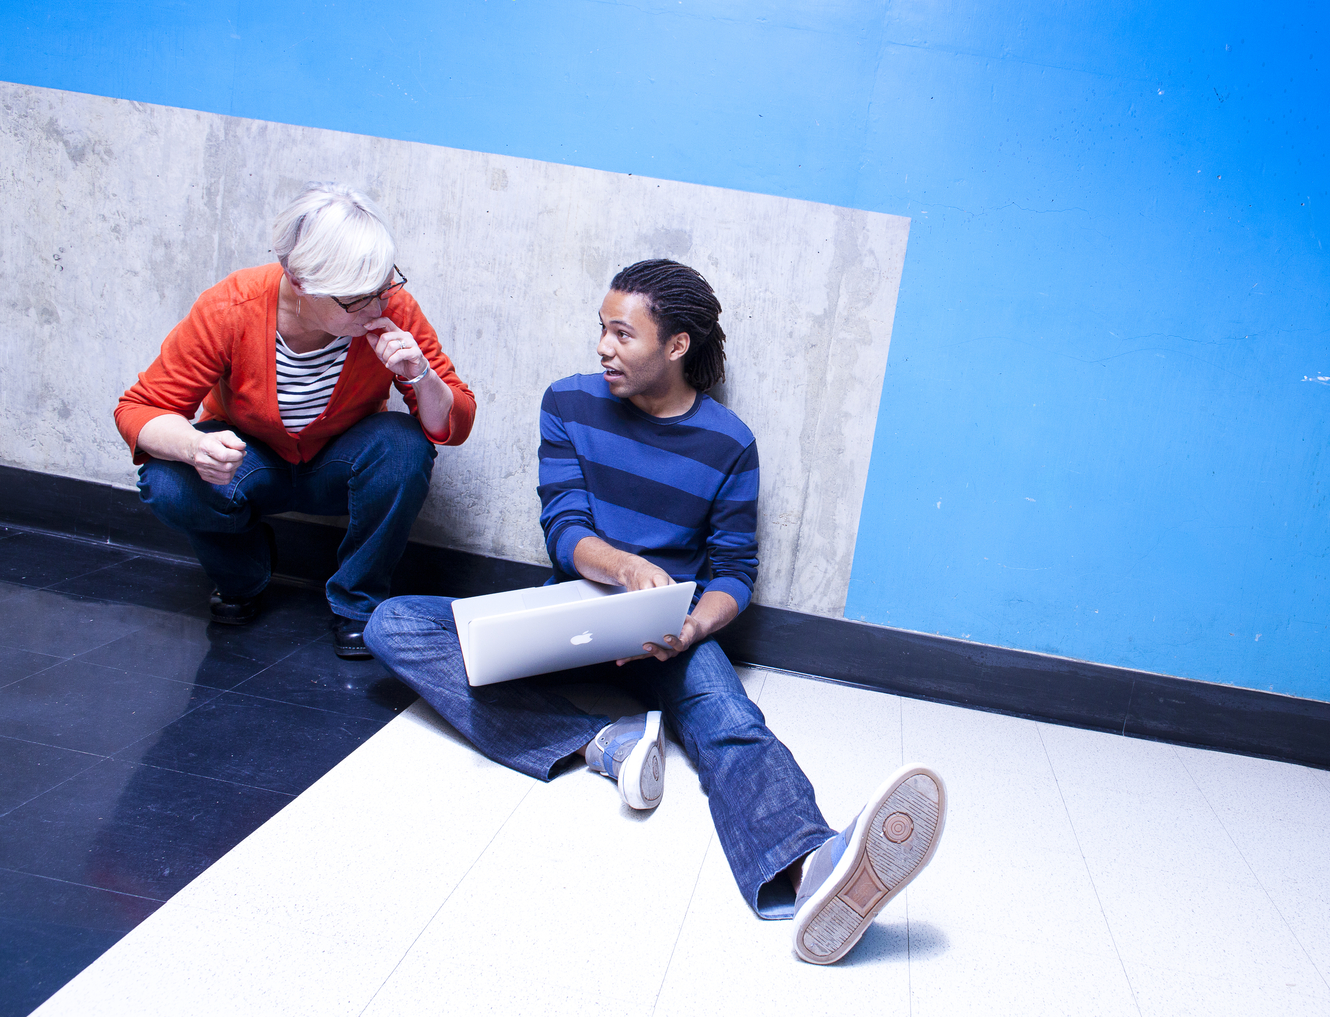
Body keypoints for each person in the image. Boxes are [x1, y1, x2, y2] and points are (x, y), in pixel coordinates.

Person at [365, 259, 946, 965]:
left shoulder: (729, 443)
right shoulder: (568, 403)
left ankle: (813, 868)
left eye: (622, 333)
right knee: (393, 623)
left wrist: (693, 625)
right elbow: (565, 527)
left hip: (673, 635)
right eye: (601, 330)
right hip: (571, 614)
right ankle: (602, 743)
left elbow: (735, 571)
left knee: (732, 726)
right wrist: (625, 569)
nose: (603, 347)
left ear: (676, 346)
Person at [115, 182, 476, 658]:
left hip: (337, 465)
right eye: (353, 299)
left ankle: (359, 603)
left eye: (382, 288)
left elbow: (455, 423)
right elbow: (139, 408)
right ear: (300, 281)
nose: (374, 308)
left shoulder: (392, 309)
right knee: (166, 479)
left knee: (403, 445)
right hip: (250, 463)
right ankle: (242, 577)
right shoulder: (232, 308)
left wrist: (422, 375)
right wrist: (194, 447)